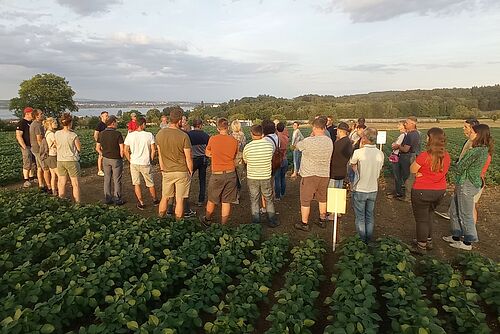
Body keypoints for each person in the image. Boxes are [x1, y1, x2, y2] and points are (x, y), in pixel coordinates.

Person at [443, 124, 493, 251]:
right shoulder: (480, 149)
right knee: (454, 209)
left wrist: (457, 163)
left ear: (479, 134)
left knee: (466, 213)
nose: (470, 133)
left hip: (467, 183)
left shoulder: (477, 150)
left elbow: (460, 166)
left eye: (473, 132)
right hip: (463, 181)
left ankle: (467, 242)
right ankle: (455, 235)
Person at [410, 128, 451, 253]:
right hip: (439, 191)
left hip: (422, 190)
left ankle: (421, 246)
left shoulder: (425, 156)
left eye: (428, 137)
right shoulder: (447, 155)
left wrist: (419, 174)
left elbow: (412, 169)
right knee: (429, 215)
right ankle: (428, 240)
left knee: (421, 219)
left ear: (431, 139)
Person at [294, 118, 333, 231]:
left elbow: (297, 146)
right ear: (325, 127)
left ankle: (304, 223)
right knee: (322, 198)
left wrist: (311, 137)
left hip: (309, 175)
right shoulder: (329, 141)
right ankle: (322, 219)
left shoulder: (308, 141)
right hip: (324, 174)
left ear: (314, 128)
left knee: (306, 199)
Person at [156, 109, 193, 219]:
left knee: (165, 197)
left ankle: (159, 219)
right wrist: (190, 171)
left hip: (167, 171)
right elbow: (188, 157)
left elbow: (160, 155)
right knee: (180, 199)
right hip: (181, 171)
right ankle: (178, 224)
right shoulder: (184, 136)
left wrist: (162, 168)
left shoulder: (160, 134)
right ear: (180, 120)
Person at [350, 128, 385, 243]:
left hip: (360, 188)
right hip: (373, 189)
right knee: (369, 216)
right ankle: (369, 240)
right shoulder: (380, 154)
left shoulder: (358, 153)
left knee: (360, 217)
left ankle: (361, 241)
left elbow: (352, 164)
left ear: (364, 138)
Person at [201, 118, 238, 226]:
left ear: (218, 128)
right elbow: (235, 156)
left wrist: (215, 155)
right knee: (226, 201)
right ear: (228, 127)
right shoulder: (234, 141)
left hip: (217, 173)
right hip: (231, 172)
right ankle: (223, 225)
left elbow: (207, 153)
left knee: (212, 198)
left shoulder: (213, 139)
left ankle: (207, 219)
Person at [243, 124, 279, 227]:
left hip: (252, 176)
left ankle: (256, 222)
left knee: (254, 199)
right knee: (268, 199)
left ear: (251, 133)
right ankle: (272, 221)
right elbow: (271, 156)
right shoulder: (269, 145)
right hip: (266, 176)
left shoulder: (248, 147)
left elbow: (245, 160)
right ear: (262, 133)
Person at [124, 117, 159, 210]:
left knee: (136, 184)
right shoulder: (149, 135)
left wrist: (130, 160)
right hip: (145, 162)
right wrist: (150, 159)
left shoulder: (130, 135)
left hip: (134, 162)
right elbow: (153, 150)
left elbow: (125, 150)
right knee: (150, 183)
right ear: (143, 124)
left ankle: (141, 202)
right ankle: (155, 200)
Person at [97, 116, 125, 205]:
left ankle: (108, 198)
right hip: (116, 159)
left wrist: (103, 154)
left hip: (106, 159)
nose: (117, 123)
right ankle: (117, 199)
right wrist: (122, 157)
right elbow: (122, 149)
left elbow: (97, 148)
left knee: (107, 178)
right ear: (113, 123)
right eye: (116, 122)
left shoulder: (101, 134)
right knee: (117, 179)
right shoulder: (117, 134)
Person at [392, 116, 421, 202]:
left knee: (407, 177)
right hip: (414, 155)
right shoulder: (417, 133)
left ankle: (408, 197)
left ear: (413, 124)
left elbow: (405, 149)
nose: (405, 124)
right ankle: (410, 195)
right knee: (411, 176)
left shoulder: (410, 135)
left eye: (407, 123)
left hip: (408, 156)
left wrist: (398, 146)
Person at [54, 113, 81, 203]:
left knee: (61, 182)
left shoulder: (57, 133)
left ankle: (61, 200)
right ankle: (77, 203)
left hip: (60, 160)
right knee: (75, 184)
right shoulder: (73, 135)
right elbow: (79, 148)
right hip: (71, 160)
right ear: (70, 123)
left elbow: (56, 144)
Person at [188, 119, 210, 207]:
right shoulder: (205, 135)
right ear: (200, 125)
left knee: (188, 179)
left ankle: (185, 198)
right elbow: (208, 148)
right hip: (203, 159)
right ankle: (201, 200)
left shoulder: (189, 135)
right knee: (202, 180)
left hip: (192, 159)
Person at [29, 109, 50, 192]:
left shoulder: (33, 124)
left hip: (34, 149)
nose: (43, 114)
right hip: (38, 150)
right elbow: (39, 139)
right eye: (41, 114)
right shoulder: (37, 125)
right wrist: (44, 150)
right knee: (45, 168)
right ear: (37, 116)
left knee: (39, 167)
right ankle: (48, 187)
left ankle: (41, 184)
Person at [16, 107, 36, 187]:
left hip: (33, 145)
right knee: (27, 162)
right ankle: (26, 179)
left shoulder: (32, 122)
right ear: (27, 114)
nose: (33, 115)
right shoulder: (21, 123)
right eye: (32, 113)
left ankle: (32, 177)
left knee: (33, 162)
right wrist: (24, 146)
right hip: (26, 146)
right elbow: (18, 135)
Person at [329, 122, 353, 189]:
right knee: (339, 194)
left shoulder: (338, 144)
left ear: (340, 131)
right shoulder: (348, 142)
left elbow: (333, 156)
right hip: (342, 172)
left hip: (334, 173)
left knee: (332, 195)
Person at [387, 121, 407, 199]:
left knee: (397, 175)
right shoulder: (405, 135)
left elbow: (395, 146)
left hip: (397, 156)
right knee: (400, 175)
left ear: (403, 126)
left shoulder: (402, 135)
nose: (397, 126)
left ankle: (398, 192)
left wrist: (394, 145)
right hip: (401, 156)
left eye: (399, 125)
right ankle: (398, 191)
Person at [231, 119, 247, 201]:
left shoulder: (230, 136)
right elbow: (244, 148)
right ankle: (237, 195)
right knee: (239, 178)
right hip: (240, 158)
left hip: (232, 159)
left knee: (233, 178)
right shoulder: (243, 136)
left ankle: (233, 195)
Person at [43, 117, 59, 195]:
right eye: (55, 123)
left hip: (49, 156)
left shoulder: (47, 132)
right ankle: (59, 191)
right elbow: (57, 144)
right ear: (50, 124)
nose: (57, 124)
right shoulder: (52, 134)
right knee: (60, 175)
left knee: (53, 175)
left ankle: (54, 191)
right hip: (53, 156)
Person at [274, 122, 289, 201]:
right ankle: (283, 193)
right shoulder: (286, 138)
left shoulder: (276, 138)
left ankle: (277, 196)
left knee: (277, 178)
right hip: (285, 159)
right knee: (283, 177)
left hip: (278, 160)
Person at [93, 111, 109, 176]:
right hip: (102, 143)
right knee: (101, 156)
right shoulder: (99, 125)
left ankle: (106, 169)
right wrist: (99, 142)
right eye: (106, 116)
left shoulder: (107, 124)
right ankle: (100, 170)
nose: (107, 117)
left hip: (107, 142)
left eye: (108, 116)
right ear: (102, 116)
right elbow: (95, 134)